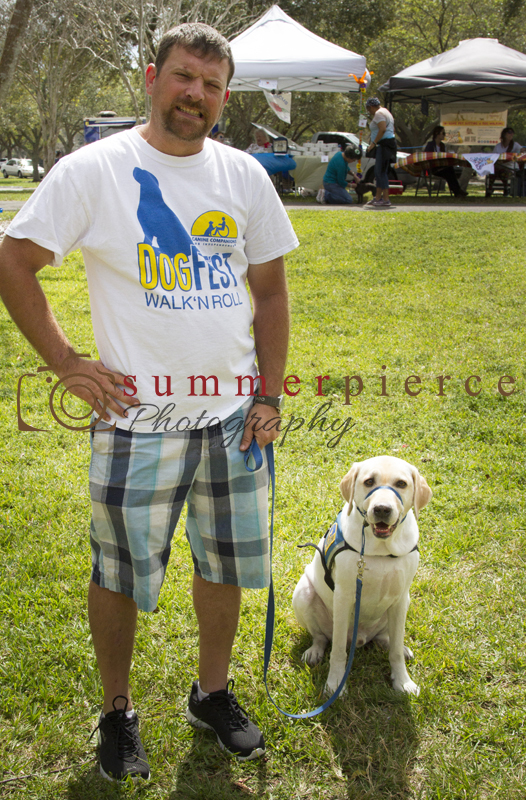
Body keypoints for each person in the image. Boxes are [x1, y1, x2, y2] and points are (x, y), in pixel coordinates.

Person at [0, 22, 298, 782]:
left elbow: (270, 293)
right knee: (119, 572)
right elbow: (14, 259)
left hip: (233, 420)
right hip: (136, 422)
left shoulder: (243, 176)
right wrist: (67, 363)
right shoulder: (94, 171)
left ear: (225, 97)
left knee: (223, 563)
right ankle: (117, 712)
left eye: (211, 84)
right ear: (151, 77)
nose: (195, 94)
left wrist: (266, 395)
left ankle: (212, 693)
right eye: (183, 76)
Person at [365, 97, 396, 209]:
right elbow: (392, 129)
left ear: (371, 107)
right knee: (380, 172)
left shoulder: (378, 113)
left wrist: (373, 143)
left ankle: (385, 199)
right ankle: (378, 197)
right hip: (387, 144)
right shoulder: (386, 111)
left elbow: (382, 129)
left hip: (384, 145)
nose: (369, 112)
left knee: (380, 172)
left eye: (368, 109)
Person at [424, 125, 468, 197]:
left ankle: (457, 191)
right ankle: (457, 191)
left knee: (449, 171)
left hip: (441, 167)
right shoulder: (430, 145)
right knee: (449, 171)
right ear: (437, 134)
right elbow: (426, 157)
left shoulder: (442, 145)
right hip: (433, 168)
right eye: (443, 133)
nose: (444, 135)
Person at [486, 126, 522, 197]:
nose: (511, 134)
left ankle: (506, 189)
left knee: (502, 171)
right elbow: (493, 157)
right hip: (499, 166)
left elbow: (522, 150)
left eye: (512, 133)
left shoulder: (515, 145)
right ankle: (489, 189)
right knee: (493, 171)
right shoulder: (498, 146)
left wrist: (520, 151)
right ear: (504, 134)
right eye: (509, 133)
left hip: (511, 168)